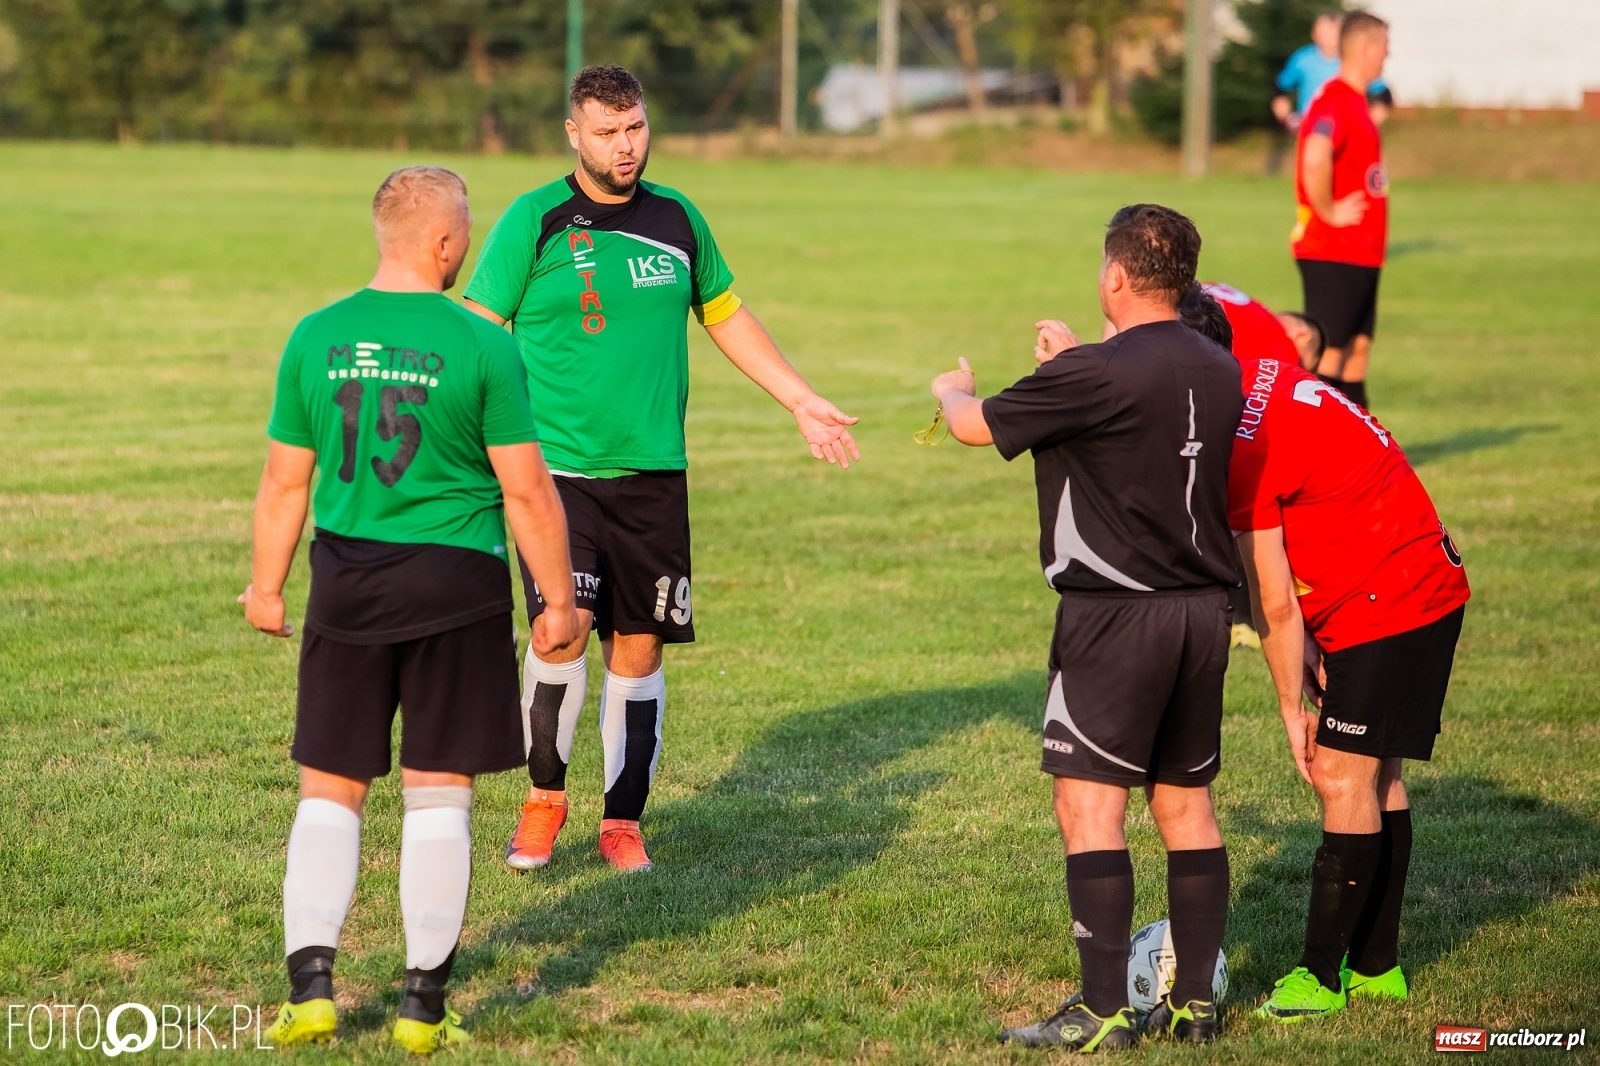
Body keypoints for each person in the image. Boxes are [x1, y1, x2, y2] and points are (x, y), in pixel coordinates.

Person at [462, 65, 860, 875]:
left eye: (635, 128)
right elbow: (478, 327)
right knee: (557, 627)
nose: (625, 146)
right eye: (607, 132)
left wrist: (800, 398)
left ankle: (622, 820)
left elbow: (724, 312)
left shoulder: (676, 218)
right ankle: (543, 800)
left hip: (653, 475)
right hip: (556, 474)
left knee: (638, 647)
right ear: (574, 134)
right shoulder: (533, 220)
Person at [242, 166, 580, 1052]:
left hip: (346, 582)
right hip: (456, 587)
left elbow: (285, 483)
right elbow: (530, 492)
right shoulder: (480, 342)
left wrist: (268, 587)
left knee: (330, 788)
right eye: (463, 234)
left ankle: (311, 988)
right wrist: (557, 603)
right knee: (439, 794)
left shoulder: (316, 334)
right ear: (443, 243)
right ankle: (423, 1008)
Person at [931, 205, 1242, 1052]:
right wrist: (1077, 361)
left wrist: (950, 390)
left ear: (1113, 275)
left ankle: (1102, 1009)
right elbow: (1137, 419)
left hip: (1114, 619)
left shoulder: (1098, 372)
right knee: (1186, 807)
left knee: (1089, 806)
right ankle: (1196, 1007)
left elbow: (975, 425)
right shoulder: (1221, 368)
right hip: (1203, 615)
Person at [1187, 290, 1471, 1023]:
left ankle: (1320, 976)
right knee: (1378, 775)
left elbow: (1274, 605)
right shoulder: (1261, 373)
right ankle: (1378, 966)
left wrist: (1290, 710)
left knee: (1341, 774)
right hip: (1424, 579)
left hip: (1388, 600)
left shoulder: (1241, 445)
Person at [1197, 282, 1324, 649]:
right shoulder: (1281, 354)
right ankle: (1244, 616)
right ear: (1301, 338)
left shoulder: (1254, 313)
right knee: (1245, 498)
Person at [1291, 11, 1391, 411]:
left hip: (1362, 251)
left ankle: (1365, 459)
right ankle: (1313, 461)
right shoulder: (1336, 100)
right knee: (1329, 356)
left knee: (1357, 353)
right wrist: (1329, 211)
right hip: (1333, 249)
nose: (1389, 53)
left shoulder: (1357, 102)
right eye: (1385, 45)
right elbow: (1315, 156)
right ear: (1367, 49)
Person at [1272, 10, 1392, 131]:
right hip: (1315, 125)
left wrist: (1367, 122)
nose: (1332, 35)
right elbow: (1281, 87)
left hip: (1348, 127)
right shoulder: (1303, 59)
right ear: (1314, 34)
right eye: (1327, 30)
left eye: (1336, 30)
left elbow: (1382, 93)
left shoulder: (1354, 63)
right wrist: (1288, 118)